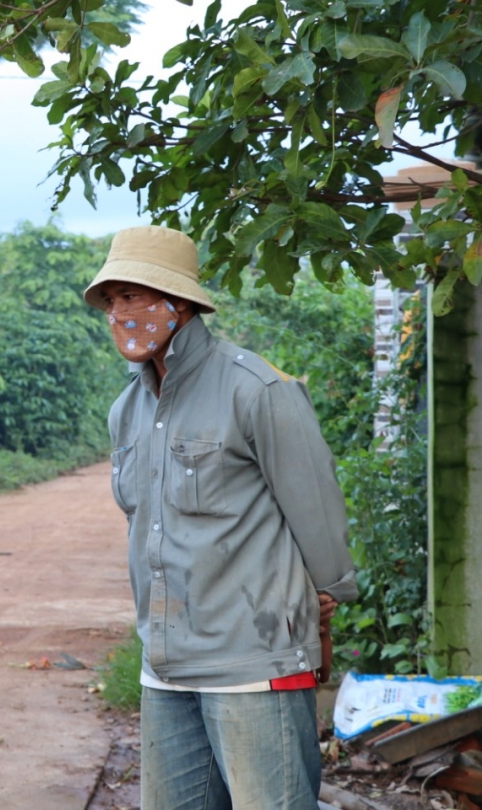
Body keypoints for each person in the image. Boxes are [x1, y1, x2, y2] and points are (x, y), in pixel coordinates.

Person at [84, 225, 358, 810]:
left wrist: (325, 602)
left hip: (254, 662)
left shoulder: (256, 389)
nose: (119, 313)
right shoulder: (125, 411)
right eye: (111, 300)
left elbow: (316, 509)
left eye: (134, 296)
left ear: (178, 303)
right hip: (165, 669)